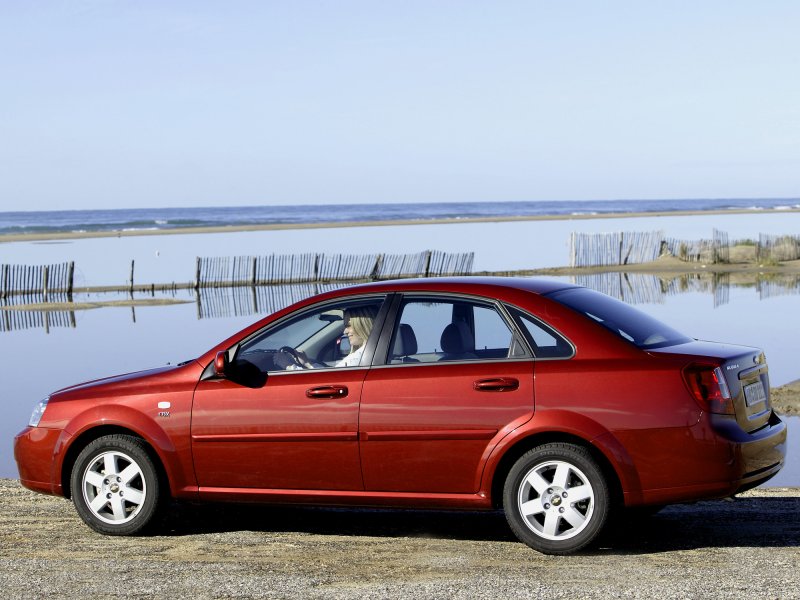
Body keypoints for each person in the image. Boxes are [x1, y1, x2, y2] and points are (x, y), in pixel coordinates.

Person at [275, 305, 377, 370]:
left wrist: (290, 367)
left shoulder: (359, 358)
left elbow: (327, 383)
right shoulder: (368, 354)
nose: (345, 331)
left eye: (349, 325)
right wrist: (307, 363)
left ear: (363, 325)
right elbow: (331, 375)